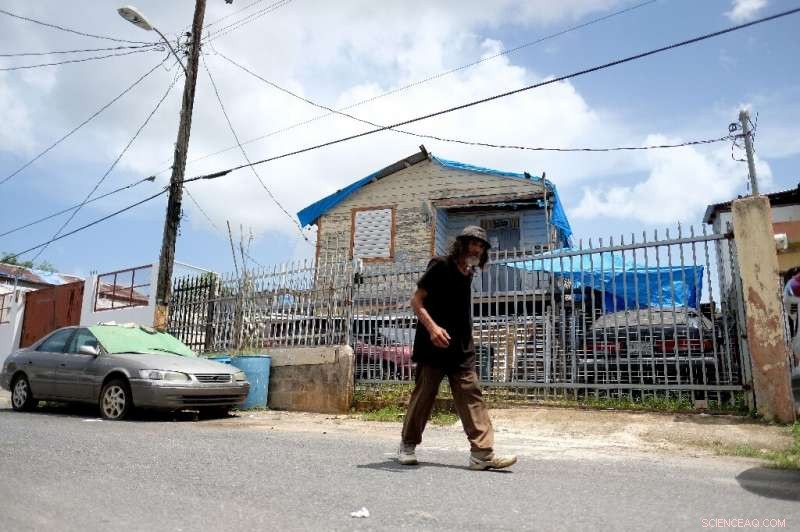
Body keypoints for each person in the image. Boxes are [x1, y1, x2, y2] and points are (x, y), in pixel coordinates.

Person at [398, 225, 517, 470]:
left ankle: (481, 455)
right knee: (424, 397)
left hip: (460, 348)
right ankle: (407, 444)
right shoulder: (440, 265)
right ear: (462, 244)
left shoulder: (468, 273)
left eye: (482, 246)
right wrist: (433, 329)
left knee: (472, 396)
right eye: (473, 243)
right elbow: (416, 300)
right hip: (434, 345)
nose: (477, 248)